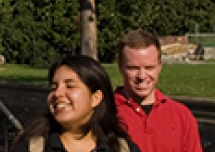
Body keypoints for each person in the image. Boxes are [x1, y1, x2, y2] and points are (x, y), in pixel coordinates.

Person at [11, 55, 140, 152]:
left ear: (96, 98)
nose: (57, 93)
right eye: (54, 87)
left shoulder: (121, 148)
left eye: (70, 86)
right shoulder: (31, 147)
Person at [115, 29, 202, 152]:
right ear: (120, 66)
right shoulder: (104, 113)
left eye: (149, 67)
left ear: (159, 66)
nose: (142, 76)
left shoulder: (181, 116)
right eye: (133, 68)